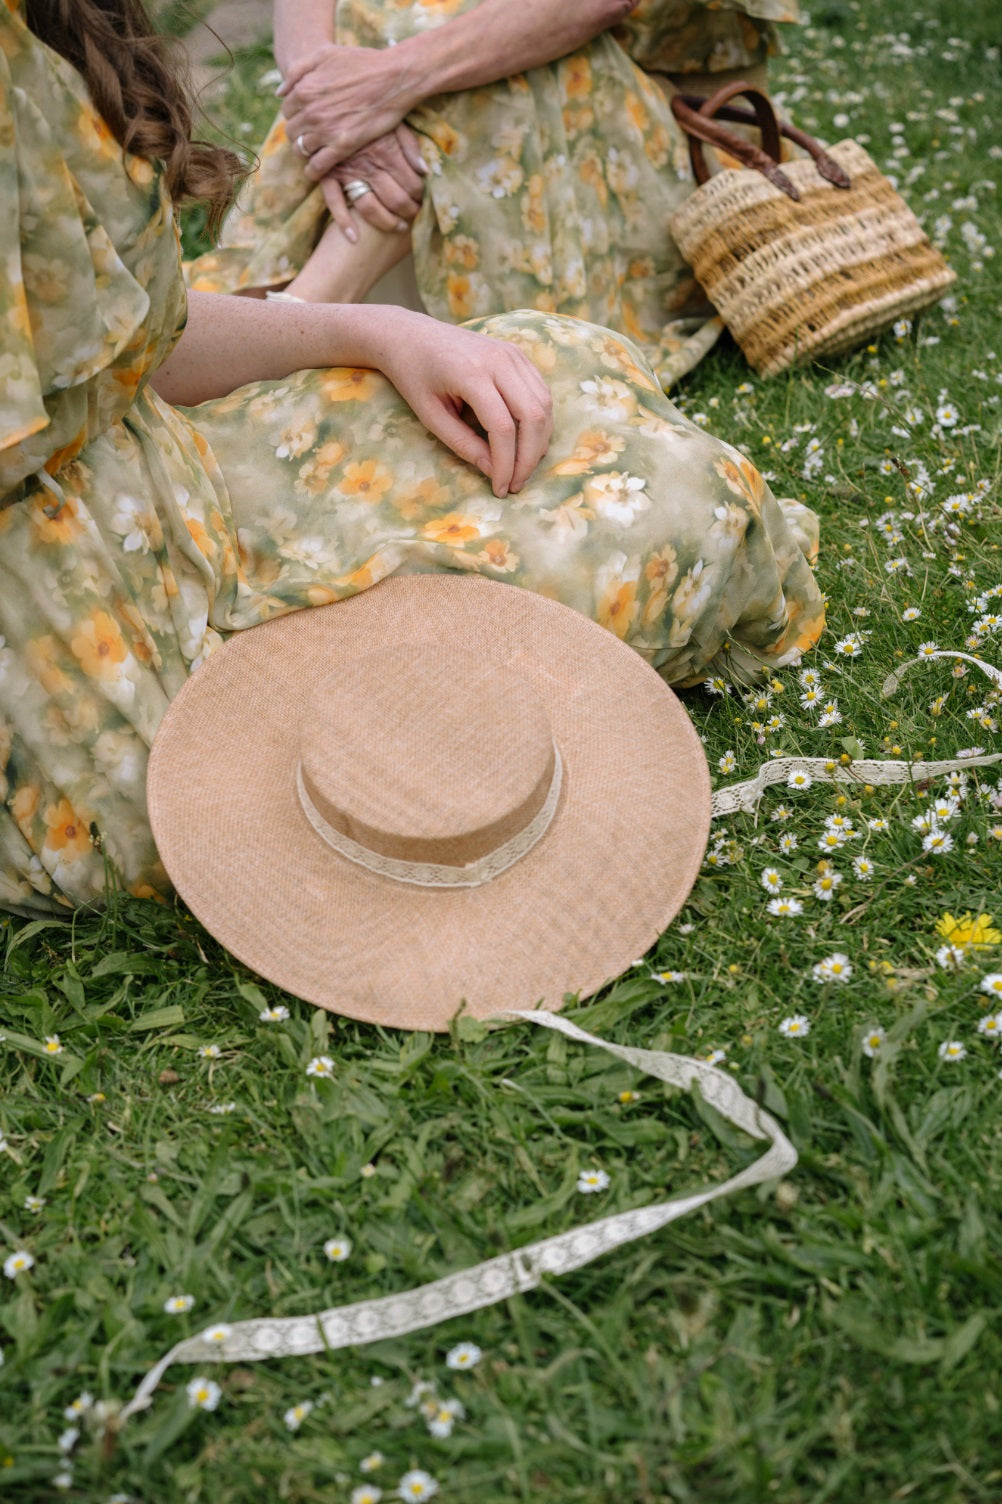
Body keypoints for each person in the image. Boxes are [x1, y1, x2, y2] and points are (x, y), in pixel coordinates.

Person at [0, 0, 823, 921]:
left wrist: (376, 331)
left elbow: (140, 348)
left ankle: (348, 275)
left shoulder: (43, 31)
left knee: (662, 485)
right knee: (284, 796)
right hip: (69, 649)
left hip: (168, 480)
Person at [185, 0, 801, 390]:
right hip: (447, 122)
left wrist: (389, 79)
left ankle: (294, 330)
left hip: (659, 114)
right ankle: (301, 327)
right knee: (389, 30)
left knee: (477, 57)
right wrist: (322, 90)